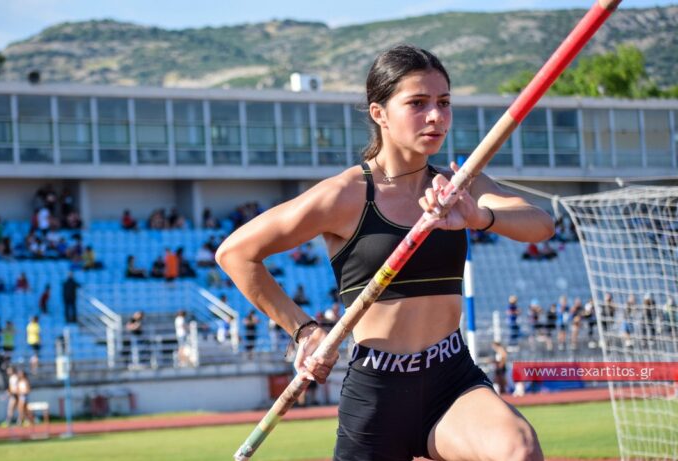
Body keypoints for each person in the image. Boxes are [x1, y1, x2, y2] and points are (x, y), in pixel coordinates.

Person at [216, 45, 551, 461]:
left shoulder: (459, 185)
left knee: (518, 449)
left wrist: (478, 216)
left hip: (450, 380)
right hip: (377, 394)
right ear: (379, 113)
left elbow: (540, 223)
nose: (436, 116)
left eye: (444, 102)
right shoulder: (345, 195)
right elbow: (236, 254)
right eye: (418, 103)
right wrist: (304, 331)